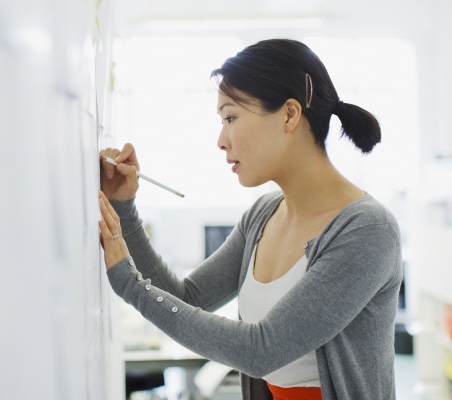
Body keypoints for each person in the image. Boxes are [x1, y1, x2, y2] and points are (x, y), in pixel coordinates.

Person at [98, 39, 402, 400]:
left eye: (230, 117)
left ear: (290, 114)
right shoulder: (262, 215)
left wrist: (130, 286)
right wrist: (124, 206)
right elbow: (188, 297)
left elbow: (261, 351)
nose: (221, 140)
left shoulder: (367, 230)